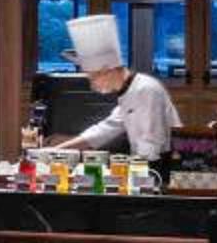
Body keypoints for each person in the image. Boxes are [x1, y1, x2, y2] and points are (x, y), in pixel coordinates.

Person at [54, 12, 180, 171]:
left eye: (93, 78)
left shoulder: (146, 89)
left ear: (107, 70)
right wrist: (58, 150)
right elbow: (105, 130)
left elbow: (150, 145)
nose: (92, 86)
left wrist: (127, 173)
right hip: (144, 164)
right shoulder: (128, 91)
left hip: (161, 166)